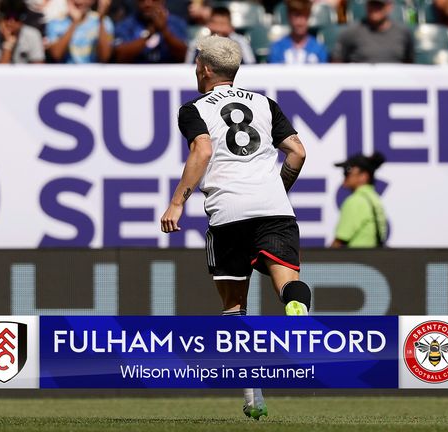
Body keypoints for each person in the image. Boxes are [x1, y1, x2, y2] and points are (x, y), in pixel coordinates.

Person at [160, 35, 311, 420]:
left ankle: (253, 397)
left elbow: (204, 150)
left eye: (197, 63)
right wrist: (278, 190)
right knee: (286, 283)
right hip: (274, 208)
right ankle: (296, 309)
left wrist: (178, 201)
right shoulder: (264, 103)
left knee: (234, 308)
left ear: (205, 69)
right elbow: (297, 151)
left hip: (228, 212)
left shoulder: (192, 109)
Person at [330, 153, 388, 248]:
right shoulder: (374, 198)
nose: (344, 177)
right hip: (373, 260)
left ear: (363, 176)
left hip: (356, 260)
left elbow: (338, 243)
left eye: (347, 172)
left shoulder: (356, 201)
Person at [331, 0, 414, 63]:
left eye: (379, 5)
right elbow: (337, 64)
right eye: (372, 4)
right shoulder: (350, 33)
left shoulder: (403, 33)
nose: (375, 9)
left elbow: (409, 65)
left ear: (389, 6)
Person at [113, 0, 188, 63]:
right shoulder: (125, 25)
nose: (147, 3)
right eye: (142, 0)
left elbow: (184, 56)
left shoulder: (176, 23)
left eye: (154, 0)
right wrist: (150, 33)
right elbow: (119, 57)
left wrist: (164, 30)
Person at [46, 0, 113, 62]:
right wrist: (75, 22)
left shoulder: (104, 21)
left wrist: (101, 20)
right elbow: (56, 55)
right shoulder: (56, 23)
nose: (79, 1)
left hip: (93, 73)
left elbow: (105, 57)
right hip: (66, 74)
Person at [185, 6, 255, 64]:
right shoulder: (196, 44)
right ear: (208, 25)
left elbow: (250, 66)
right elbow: (188, 68)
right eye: (215, 23)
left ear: (231, 27)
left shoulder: (241, 43)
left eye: (223, 24)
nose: (218, 29)